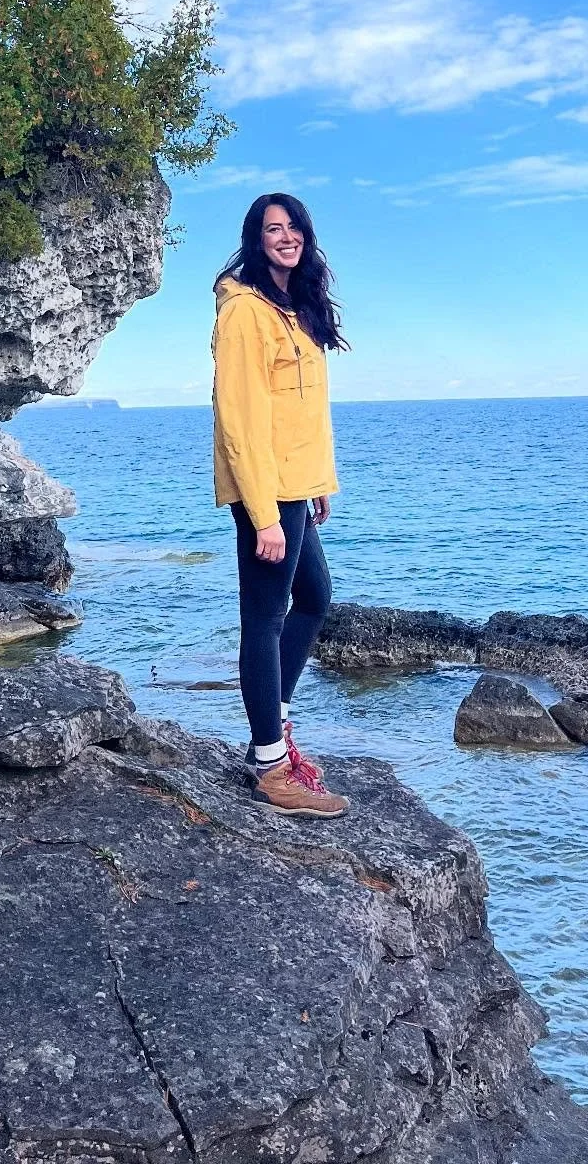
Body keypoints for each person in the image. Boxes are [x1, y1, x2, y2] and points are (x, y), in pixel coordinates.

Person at [212, 193, 350, 817]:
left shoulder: (293, 306)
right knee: (264, 619)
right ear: (256, 238)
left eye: (294, 226)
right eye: (273, 229)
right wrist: (263, 513)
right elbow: (240, 417)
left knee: (315, 597)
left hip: (296, 483)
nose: (286, 236)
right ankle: (270, 766)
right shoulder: (245, 311)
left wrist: (318, 481)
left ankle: (275, 725)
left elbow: (300, 410)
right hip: (265, 488)